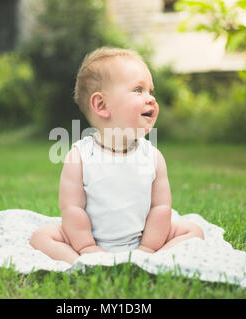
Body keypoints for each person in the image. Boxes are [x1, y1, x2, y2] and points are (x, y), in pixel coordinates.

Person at [30, 47, 204, 265]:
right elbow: (72, 209)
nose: (150, 98)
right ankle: (81, 262)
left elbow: (160, 207)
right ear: (102, 105)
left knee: (193, 231)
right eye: (138, 90)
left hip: (142, 239)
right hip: (90, 239)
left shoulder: (153, 157)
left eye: (151, 91)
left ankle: (149, 260)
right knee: (42, 237)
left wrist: (148, 247)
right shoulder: (80, 156)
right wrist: (86, 246)